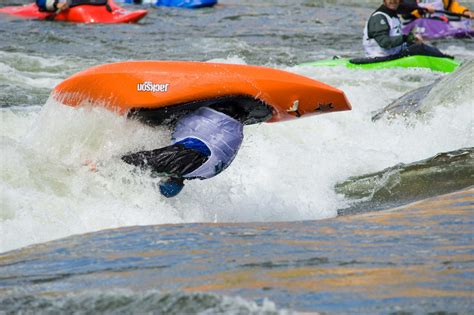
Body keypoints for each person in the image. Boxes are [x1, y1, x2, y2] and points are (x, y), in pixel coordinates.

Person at [121, 106, 244, 198]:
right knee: (144, 118)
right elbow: (140, 160)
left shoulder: (201, 174)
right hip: (218, 112)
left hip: (237, 124)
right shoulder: (178, 165)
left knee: (164, 128)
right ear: (167, 177)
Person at [363, 0, 452, 58]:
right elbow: (385, 43)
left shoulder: (394, 17)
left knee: (418, 46)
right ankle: (445, 59)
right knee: (419, 48)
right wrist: (406, 38)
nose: (393, 1)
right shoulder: (379, 17)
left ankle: (445, 57)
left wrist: (411, 40)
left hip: (392, 55)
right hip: (379, 58)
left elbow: (398, 41)